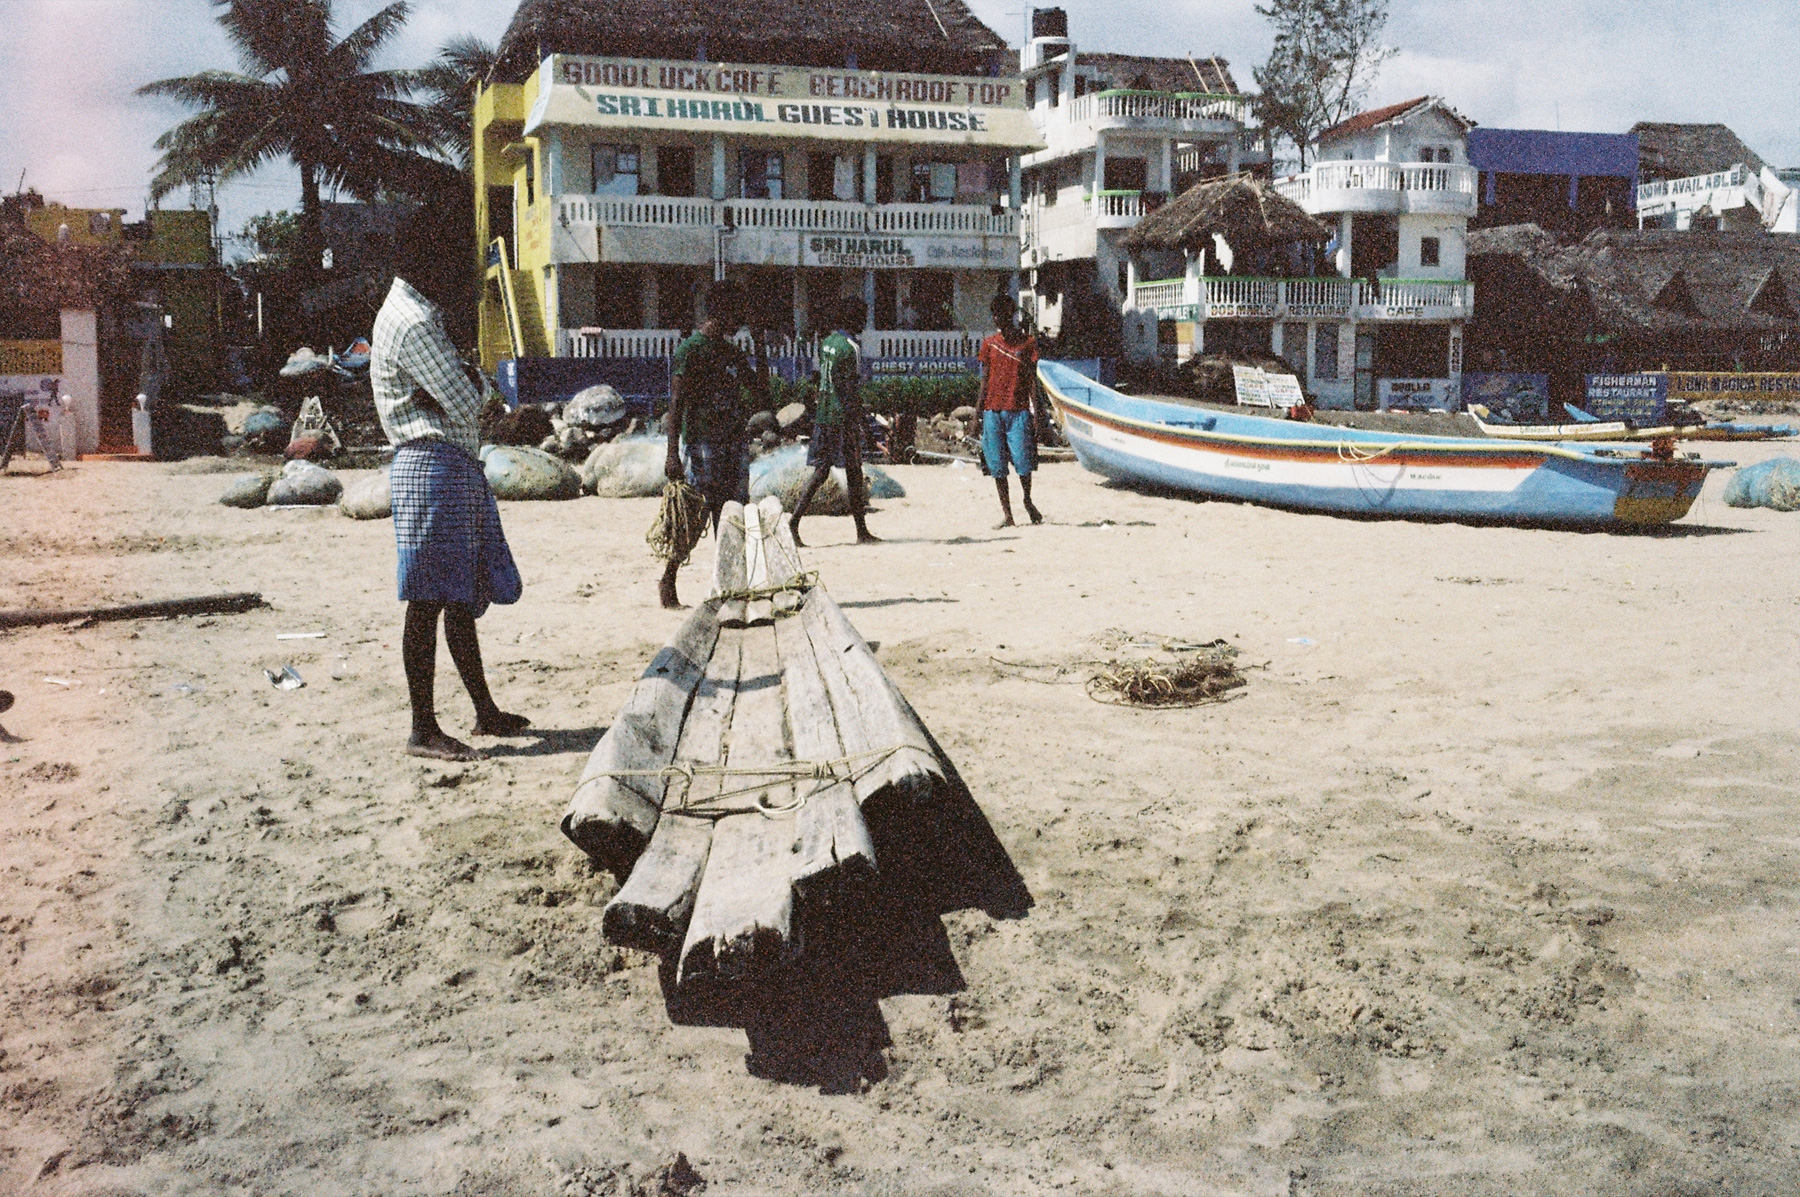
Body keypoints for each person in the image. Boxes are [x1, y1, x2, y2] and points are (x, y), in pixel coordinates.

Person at [371, 276, 529, 762]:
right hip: (432, 465)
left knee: (457, 597)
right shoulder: (414, 321)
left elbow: (463, 396)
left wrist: (467, 385)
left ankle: (485, 711)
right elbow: (467, 401)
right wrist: (477, 386)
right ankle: (423, 728)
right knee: (428, 599)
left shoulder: (415, 312)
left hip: (445, 464)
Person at [662, 281, 755, 608]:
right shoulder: (690, 350)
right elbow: (676, 403)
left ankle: (727, 586)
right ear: (721, 312)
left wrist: (760, 345)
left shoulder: (733, 352)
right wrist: (672, 454)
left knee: (732, 516)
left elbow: (760, 391)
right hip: (702, 443)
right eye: (738, 313)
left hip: (734, 441)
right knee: (696, 514)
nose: (742, 320)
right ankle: (669, 578)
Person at [791, 296, 880, 548]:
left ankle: (796, 522)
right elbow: (849, 389)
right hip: (842, 419)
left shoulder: (828, 342)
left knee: (824, 470)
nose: (864, 323)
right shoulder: (851, 347)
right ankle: (860, 530)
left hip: (824, 416)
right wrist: (863, 423)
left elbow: (821, 377)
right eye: (861, 317)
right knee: (852, 472)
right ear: (853, 319)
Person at [977, 293, 1044, 527]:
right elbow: (984, 382)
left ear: (1011, 315)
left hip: (1019, 410)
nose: (998, 318)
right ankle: (1008, 515)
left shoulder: (1028, 343)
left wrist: (1038, 415)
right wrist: (977, 416)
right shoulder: (989, 344)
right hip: (992, 411)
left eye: (1002, 314)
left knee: (1024, 464)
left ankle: (1027, 500)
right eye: (995, 314)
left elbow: (1032, 382)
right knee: (997, 467)